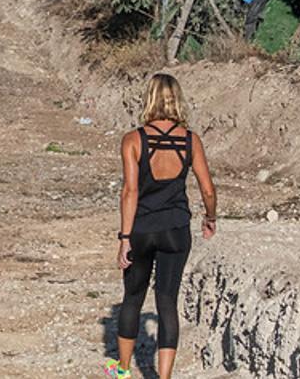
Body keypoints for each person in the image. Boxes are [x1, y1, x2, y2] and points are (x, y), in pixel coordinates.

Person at [107, 74, 217, 379]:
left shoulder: (133, 139)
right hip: (176, 229)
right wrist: (210, 217)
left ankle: (123, 371)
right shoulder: (190, 140)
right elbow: (207, 189)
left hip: (141, 229)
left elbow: (130, 191)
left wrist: (124, 238)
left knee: (132, 298)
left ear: (149, 99)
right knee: (167, 301)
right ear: (177, 99)